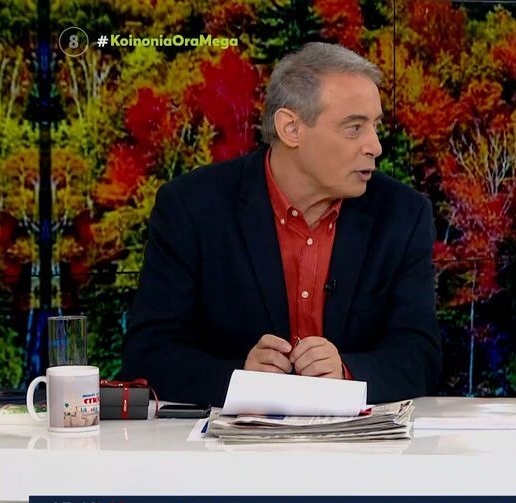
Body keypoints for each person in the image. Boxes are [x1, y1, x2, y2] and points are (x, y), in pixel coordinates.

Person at [121, 42, 441, 409]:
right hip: (226, 442)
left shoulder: (402, 214)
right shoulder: (192, 208)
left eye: (375, 126)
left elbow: (421, 356)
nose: (375, 146)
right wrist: (241, 379)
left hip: (358, 441)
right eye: (354, 128)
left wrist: (345, 373)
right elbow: (148, 355)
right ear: (291, 128)